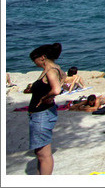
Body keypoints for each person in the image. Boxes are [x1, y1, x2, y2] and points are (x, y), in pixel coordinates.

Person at [27, 42, 65, 175]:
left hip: (41, 115)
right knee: (40, 153)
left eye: (35, 60)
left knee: (43, 154)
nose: (34, 63)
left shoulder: (50, 71)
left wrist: (45, 97)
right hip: (43, 114)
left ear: (42, 57)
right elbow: (63, 80)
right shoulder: (56, 68)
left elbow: (56, 89)